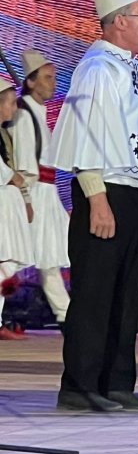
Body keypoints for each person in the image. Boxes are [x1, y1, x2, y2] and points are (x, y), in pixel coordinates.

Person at [47, 0, 138, 410]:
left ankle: (116, 380)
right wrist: (96, 197)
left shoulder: (128, 69)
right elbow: (86, 135)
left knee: (126, 293)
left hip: (129, 191)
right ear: (119, 22)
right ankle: (79, 384)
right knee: (95, 291)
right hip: (106, 188)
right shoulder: (97, 68)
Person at [8, 51, 71, 328]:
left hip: (47, 193)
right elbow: (24, 163)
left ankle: (66, 312)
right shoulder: (23, 115)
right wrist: (25, 201)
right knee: (15, 259)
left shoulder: (38, 112)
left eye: (54, 77)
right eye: (47, 78)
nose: (53, 83)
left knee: (49, 257)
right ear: (31, 82)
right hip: (33, 193)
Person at [0, 77, 34, 341]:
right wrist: (14, 177)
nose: (14, 109)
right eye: (10, 103)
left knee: (5, 265)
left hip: (7, 205)